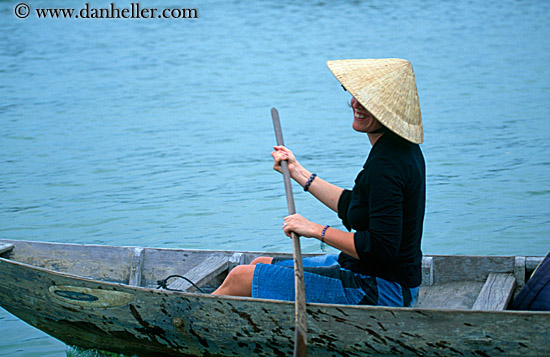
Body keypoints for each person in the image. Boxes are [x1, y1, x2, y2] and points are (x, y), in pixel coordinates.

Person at [212, 58, 426, 307]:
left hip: (382, 290)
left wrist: (315, 230)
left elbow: (379, 249)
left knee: (240, 277)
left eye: (367, 101)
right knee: (259, 264)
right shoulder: (398, 149)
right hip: (380, 278)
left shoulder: (386, 166)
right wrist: (297, 172)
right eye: (355, 96)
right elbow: (356, 207)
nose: (355, 104)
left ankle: (185, 318)